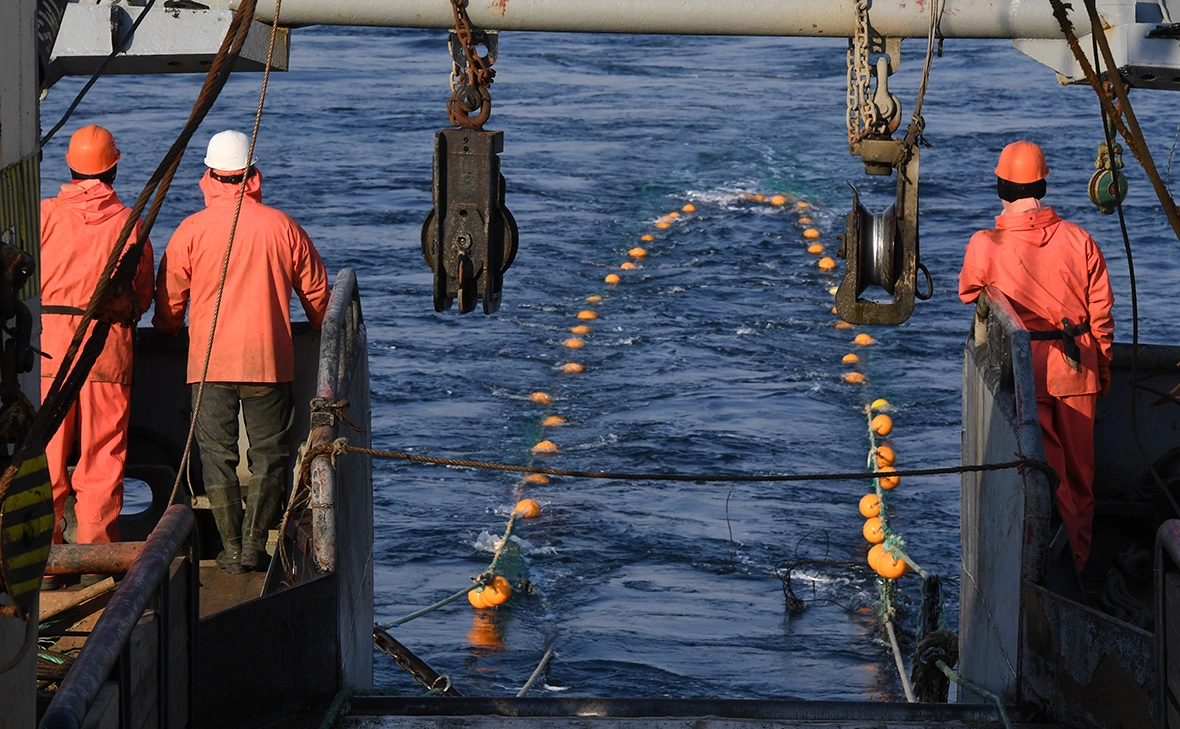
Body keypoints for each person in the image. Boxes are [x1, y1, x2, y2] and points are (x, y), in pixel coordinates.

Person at [153, 130, 330, 573]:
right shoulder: (282, 226)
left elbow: (170, 303)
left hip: (208, 365)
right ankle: (255, 546)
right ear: (252, 176)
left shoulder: (191, 230)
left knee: (217, 456)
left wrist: (169, 328)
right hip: (268, 363)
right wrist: (317, 324)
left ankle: (230, 550)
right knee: (270, 456)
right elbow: (320, 299)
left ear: (209, 176)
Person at [959, 140, 1114, 571]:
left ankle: (1040, 569)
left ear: (1000, 187)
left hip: (1027, 375)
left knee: (1043, 475)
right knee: (1081, 480)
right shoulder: (1080, 240)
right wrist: (1100, 368)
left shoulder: (985, 243)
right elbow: (1101, 316)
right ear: (1042, 185)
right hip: (1076, 368)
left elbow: (968, 289)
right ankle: (1077, 564)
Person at [40, 124, 155, 548]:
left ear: (70, 166)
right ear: (114, 169)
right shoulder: (130, 224)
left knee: (46, 457)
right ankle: (95, 554)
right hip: (107, 354)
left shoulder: (43, 215)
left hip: (49, 354)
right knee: (103, 457)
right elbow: (141, 296)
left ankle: (44, 557)